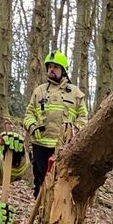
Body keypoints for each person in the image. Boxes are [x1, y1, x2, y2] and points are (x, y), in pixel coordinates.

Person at [23, 50, 88, 196]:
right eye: (50, 66)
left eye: (56, 67)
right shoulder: (39, 91)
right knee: (40, 184)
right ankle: (39, 213)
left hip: (64, 148)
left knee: (60, 185)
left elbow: (83, 119)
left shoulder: (76, 94)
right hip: (41, 146)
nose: (51, 70)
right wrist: (33, 127)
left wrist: (72, 133)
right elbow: (28, 114)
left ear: (63, 70)